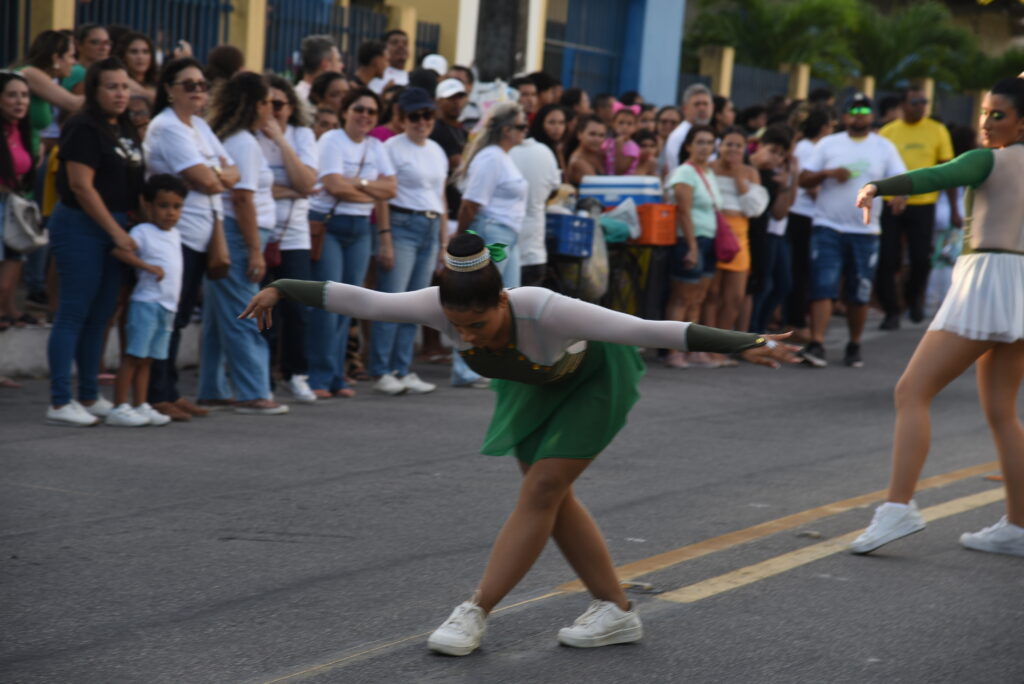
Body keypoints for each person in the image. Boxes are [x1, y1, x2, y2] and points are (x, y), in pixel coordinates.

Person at [240, 233, 799, 656]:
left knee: (544, 488)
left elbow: (651, 329)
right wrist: (281, 288)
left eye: (477, 325)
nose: (465, 336)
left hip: (594, 380)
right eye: (457, 327)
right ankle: (616, 609)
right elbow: (363, 301)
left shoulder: (544, 308)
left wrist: (744, 341)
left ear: (502, 301)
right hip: (533, 385)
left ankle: (475, 611)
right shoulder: (441, 303)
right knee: (549, 499)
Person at [850, 77, 1024, 557]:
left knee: (912, 390)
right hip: (1021, 285)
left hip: (988, 278)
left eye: (998, 115)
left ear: (1021, 122)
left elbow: (936, 175)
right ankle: (1019, 526)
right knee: (1003, 412)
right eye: (984, 112)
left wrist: (876, 186)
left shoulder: (987, 157)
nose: (985, 124)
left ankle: (898, 508)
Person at [46, 58, 144, 427]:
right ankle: (59, 400)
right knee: (73, 312)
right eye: (112, 87)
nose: (121, 94)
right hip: (82, 226)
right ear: (93, 90)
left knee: (102, 314)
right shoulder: (83, 127)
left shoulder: (126, 127)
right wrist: (116, 232)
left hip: (117, 225)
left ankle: (88, 393)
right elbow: (81, 187)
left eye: (124, 87)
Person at [143, 57, 240, 422]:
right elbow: (208, 179)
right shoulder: (168, 128)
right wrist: (218, 174)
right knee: (167, 316)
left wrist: (217, 174)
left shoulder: (198, 125)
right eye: (189, 84)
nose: (199, 90)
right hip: (176, 235)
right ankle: (156, 393)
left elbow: (234, 171)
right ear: (169, 89)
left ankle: (169, 390)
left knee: (180, 317)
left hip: (202, 235)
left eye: (202, 84)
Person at [797, 94, 907, 369]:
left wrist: (899, 195)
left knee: (859, 292)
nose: (859, 115)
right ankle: (817, 343)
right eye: (853, 110)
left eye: (865, 111)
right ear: (844, 116)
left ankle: (854, 344)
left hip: (865, 230)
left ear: (872, 116)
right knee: (823, 285)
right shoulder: (829, 144)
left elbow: (901, 179)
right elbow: (803, 179)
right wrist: (828, 174)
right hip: (828, 225)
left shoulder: (884, 147)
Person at [201, 72, 288, 415]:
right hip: (240, 236)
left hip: (236, 234)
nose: (271, 107)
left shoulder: (237, 139)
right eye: (267, 101)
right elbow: (242, 199)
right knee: (245, 311)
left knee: (218, 316)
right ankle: (252, 390)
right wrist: (255, 249)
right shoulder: (245, 143)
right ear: (255, 105)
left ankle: (212, 387)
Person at [307, 88, 396, 398]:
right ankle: (318, 377)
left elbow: (391, 189)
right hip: (331, 224)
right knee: (329, 303)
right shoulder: (331, 140)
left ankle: (337, 376)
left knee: (349, 304)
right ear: (345, 110)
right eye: (359, 109)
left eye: (372, 111)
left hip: (361, 228)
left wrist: (357, 184)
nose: (365, 116)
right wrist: (370, 190)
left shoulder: (376, 146)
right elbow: (332, 185)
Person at [370, 87, 449, 396]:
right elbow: (382, 196)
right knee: (393, 301)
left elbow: (440, 196)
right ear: (402, 118)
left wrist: (444, 243)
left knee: (417, 305)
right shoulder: (390, 147)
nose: (421, 121)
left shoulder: (436, 150)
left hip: (430, 226)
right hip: (402, 223)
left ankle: (402, 368)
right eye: (414, 116)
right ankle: (381, 370)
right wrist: (385, 237)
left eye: (427, 115)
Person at [450, 102, 529, 388]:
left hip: (507, 234)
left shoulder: (502, 157)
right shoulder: (491, 158)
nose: (525, 131)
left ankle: (495, 362)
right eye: (521, 126)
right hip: (492, 232)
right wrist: (462, 239)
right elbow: (470, 203)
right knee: (478, 301)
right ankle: (466, 367)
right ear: (506, 130)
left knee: (509, 302)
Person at [106, 174, 188, 427]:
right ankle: (120, 406)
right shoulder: (143, 231)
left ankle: (141, 404)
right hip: (146, 303)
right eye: (163, 206)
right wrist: (146, 266)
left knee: (149, 359)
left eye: (176, 207)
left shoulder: (175, 234)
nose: (170, 213)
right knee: (133, 356)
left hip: (167, 306)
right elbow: (118, 250)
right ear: (149, 205)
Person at [876, 86, 957, 330]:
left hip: (923, 204)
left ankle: (913, 299)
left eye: (924, 102)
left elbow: (947, 170)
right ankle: (891, 310)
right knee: (888, 259)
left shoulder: (937, 130)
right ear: (903, 105)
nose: (921, 106)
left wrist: (954, 207)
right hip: (891, 205)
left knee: (921, 258)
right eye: (916, 102)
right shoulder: (889, 131)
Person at [258, 75, 318, 404]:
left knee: (298, 308)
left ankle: (296, 373)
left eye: (278, 105)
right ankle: (262, 375)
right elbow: (252, 186)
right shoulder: (249, 136)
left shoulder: (302, 135)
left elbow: (307, 184)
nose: (272, 111)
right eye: (266, 103)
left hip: (294, 236)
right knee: (265, 310)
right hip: (260, 231)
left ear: (291, 108)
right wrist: (290, 187)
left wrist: (281, 140)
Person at [706, 127, 769, 347]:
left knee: (733, 297)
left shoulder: (750, 173)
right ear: (719, 146)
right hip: (714, 231)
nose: (732, 149)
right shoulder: (709, 168)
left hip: (740, 235)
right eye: (728, 144)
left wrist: (739, 179)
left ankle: (723, 346)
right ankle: (708, 344)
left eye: (738, 145)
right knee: (711, 294)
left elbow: (754, 209)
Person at [663, 125, 719, 369]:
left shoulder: (708, 172)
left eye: (709, 142)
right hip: (690, 240)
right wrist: (693, 247)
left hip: (709, 240)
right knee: (682, 298)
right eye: (700, 142)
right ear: (688, 146)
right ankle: (672, 350)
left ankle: (692, 348)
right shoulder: (684, 173)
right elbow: (683, 213)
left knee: (698, 298)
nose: (705, 147)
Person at [784, 106, 834, 339]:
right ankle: (794, 322)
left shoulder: (814, 147)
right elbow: (809, 185)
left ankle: (798, 319)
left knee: (804, 270)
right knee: (800, 270)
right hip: (800, 215)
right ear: (823, 127)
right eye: (831, 127)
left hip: (810, 216)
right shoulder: (807, 148)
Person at [0, 72, 37, 332]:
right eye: (12, 95)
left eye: (24, 95)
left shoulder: (21, 131)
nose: (19, 101)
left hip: (14, 208)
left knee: (12, 272)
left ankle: (8, 309)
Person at [511, 110, 562, 287]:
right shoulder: (545, 152)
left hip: (507, 250)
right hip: (534, 251)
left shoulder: (500, 154)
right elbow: (555, 188)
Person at [15, 30, 84, 156]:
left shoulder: (47, 78)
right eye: (71, 56)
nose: (74, 62)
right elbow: (74, 103)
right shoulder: (31, 73)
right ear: (56, 58)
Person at [661, 84, 713, 179]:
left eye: (705, 104)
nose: (702, 108)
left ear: (712, 107)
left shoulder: (708, 131)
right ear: (685, 108)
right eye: (697, 104)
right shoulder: (680, 135)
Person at [295, 35, 343, 105]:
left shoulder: (296, 95)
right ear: (326, 65)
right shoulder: (304, 101)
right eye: (339, 61)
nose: (342, 66)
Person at [64, 24, 111, 95]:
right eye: (95, 42)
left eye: (107, 43)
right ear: (78, 45)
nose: (103, 48)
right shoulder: (80, 72)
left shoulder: (90, 72)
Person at [113, 32, 157, 103]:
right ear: (123, 56)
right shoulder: (119, 81)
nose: (140, 57)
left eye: (145, 52)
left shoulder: (158, 83)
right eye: (134, 52)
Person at [565, 115, 607, 187]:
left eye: (601, 135)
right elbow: (598, 188)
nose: (597, 139)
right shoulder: (578, 162)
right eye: (592, 134)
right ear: (579, 134)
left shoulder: (598, 154)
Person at [604, 102, 641, 175]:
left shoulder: (633, 147)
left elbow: (620, 171)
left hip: (624, 184)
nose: (624, 127)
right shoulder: (607, 142)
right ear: (613, 124)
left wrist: (619, 146)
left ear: (635, 127)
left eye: (629, 124)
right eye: (621, 123)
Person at [369, 29, 410, 94]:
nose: (401, 46)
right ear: (384, 49)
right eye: (394, 43)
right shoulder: (378, 76)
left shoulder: (411, 77)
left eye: (405, 44)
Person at [528, 103, 568, 170]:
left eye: (561, 122)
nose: (557, 127)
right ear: (541, 123)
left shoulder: (559, 148)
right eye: (552, 122)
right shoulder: (534, 150)